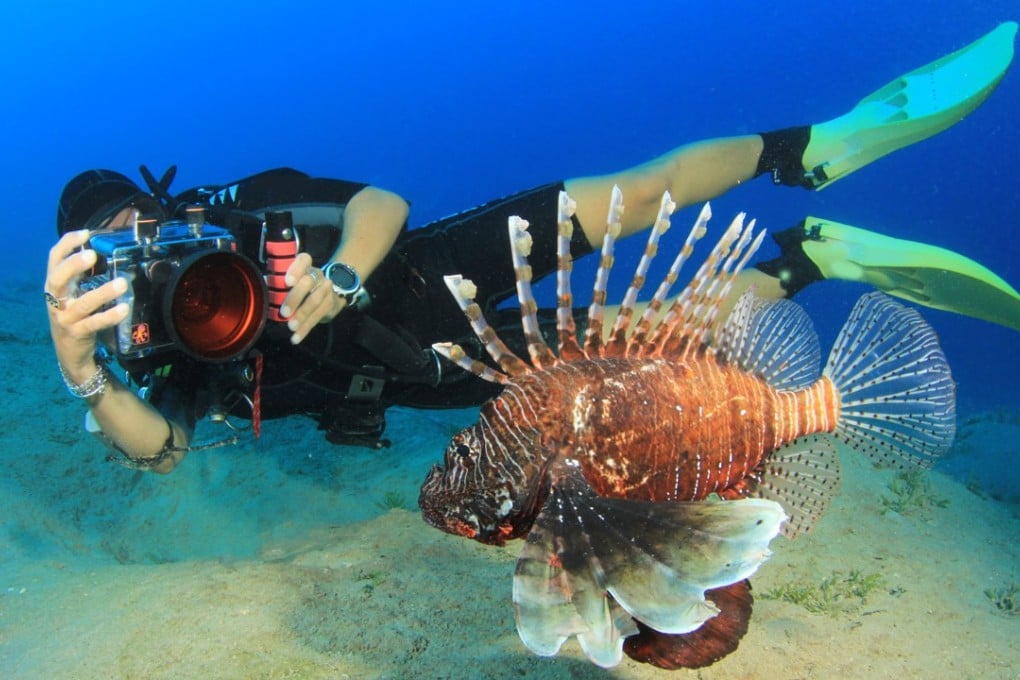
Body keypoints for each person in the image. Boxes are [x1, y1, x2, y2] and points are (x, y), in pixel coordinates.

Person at [45, 22, 1019, 473]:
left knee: (632, 195)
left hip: (432, 270)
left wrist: (340, 273)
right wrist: (84, 366)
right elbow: (162, 449)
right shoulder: (156, 348)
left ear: (165, 203)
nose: (157, 257)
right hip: (434, 379)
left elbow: (379, 202)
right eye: (118, 255)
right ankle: (802, 258)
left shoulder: (244, 211)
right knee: (660, 339)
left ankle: (807, 150)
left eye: (148, 225)